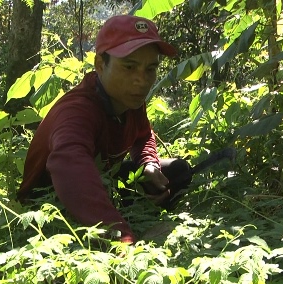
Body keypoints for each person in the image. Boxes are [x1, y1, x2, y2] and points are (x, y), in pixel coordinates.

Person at [17, 14, 191, 244]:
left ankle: (138, 215)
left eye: (150, 69)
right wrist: (122, 238)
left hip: (104, 182)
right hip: (55, 201)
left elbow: (143, 135)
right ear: (100, 65)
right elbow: (69, 165)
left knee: (178, 171)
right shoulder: (78, 110)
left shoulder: (129, 100)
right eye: (129, 67)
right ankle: (122, 225)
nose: (142, 80)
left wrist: (148, 164)